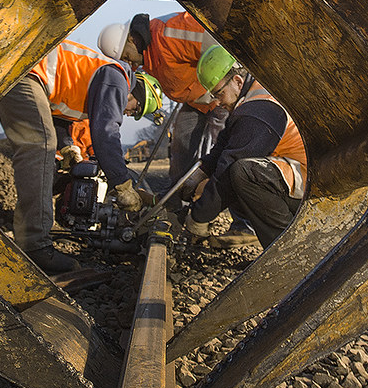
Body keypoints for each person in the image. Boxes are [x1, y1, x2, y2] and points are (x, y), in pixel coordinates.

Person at [0, 40, 163, 273]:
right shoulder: (116, 79)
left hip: (25, 70)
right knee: (40, 147)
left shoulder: (100, 83)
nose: (129, 113)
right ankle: (35, 246)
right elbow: (106, 132)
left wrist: (67, 147)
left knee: (45, 151)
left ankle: (31, 232)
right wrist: (122, 184)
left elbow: (58, 116)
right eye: (135, 109)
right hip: (27, 70)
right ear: (133, 93)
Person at [98, 12, 258, 247]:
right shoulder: (147, 58)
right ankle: (175, 209)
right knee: (181, 151)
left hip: (222, 96)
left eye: (127, 57)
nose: (130, 64)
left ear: (132, 40)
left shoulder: (168, 32)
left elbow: (217, 45)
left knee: (227, 157)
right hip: (196, 103)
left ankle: (244, 224)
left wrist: (231, 89)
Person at [180, 45, 307, 249]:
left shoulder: (257, 111)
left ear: (238, 81)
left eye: (219, 94)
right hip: (289, 177)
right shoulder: (249, 101)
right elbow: (223, 149)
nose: (217, 102)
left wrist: (199, 217)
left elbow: (228, 170)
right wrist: (199, 174)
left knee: (242, 173)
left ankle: (287, 248)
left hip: (305, 185)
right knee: (239, 174)